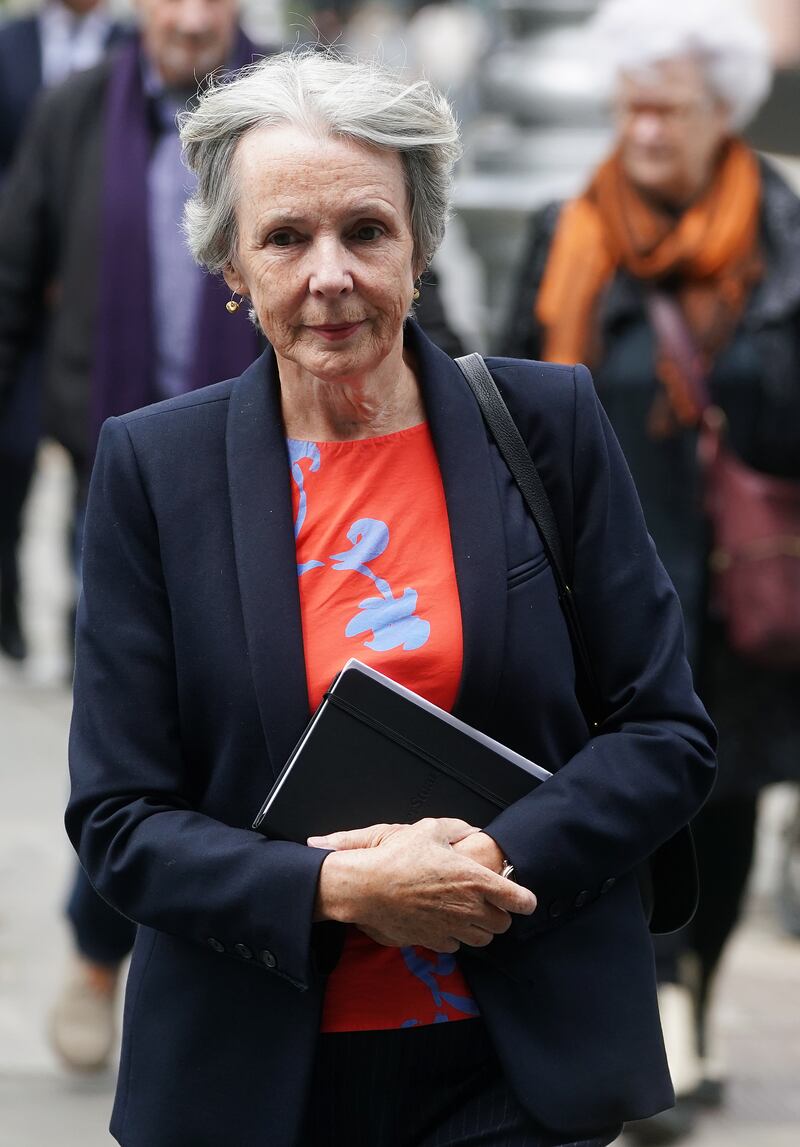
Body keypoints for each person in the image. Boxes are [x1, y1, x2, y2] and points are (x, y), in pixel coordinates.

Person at [65, 50, 715, 1147]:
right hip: (257, 1080)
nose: (331, 275)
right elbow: (120, 820)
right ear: (231, 261)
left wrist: (491, 862)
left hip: (515, 1062)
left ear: (419, 244)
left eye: (365, 230)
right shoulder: (155, 471)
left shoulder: (546, 428)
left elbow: (665, 736)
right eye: (285, 237)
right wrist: (338, 890)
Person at [501, 0, 800, 1140]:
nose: (643, 131)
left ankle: (697, 990)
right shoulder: (568, 229)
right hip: (596, 581)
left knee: (724, 799)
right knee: (616, 793)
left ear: (722, 111)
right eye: (629, 108)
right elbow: (509, 394)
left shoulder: (779, 234)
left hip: (735, 583)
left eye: (666, 109)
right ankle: (652, 991)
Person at [0, 0, 264, 1072]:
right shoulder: (75, 112)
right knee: (129, 734)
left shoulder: (288, 107)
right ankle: (99, 955)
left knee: (245, 723)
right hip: (119, 478)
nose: (190, 18)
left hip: (268, 473)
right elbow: (12, 275)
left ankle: (200, 958)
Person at [0, 0, 123, 662]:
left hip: (98, 309)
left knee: (95, 462)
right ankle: (10, 605)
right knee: (16, 456)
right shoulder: (12, 45)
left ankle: (86, 623)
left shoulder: (130, 43)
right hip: (28, 284)